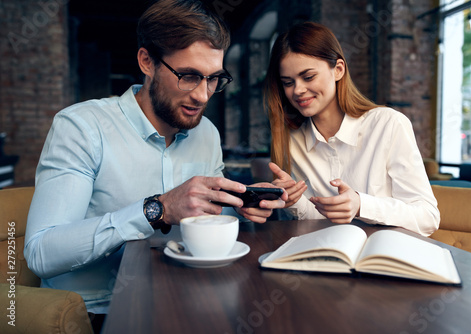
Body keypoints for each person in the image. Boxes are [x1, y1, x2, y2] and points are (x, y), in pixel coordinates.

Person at [24, 0, 285, 332]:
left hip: (190, 298)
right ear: (147, 61)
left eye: (213, 79)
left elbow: (209, 217)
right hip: (95, 313)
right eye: (189, 76)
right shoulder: (81, 127)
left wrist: (241, 203)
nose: (203, 96)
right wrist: (156, 209)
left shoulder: (207, 133)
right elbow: (41, 252)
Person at [264, 22, 439, 237]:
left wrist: (361, 205)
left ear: (338, 70)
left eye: (308, 77)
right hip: (331, 256)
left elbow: (428, 218)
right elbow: (318, 220)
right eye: (288, 82)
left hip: (387, 258)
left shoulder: (389, 124)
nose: (298, 90)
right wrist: (293, 201)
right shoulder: (294, 142)